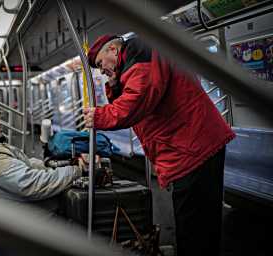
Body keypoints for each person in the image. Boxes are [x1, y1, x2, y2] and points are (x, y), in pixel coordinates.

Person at [83, 34, 235, 256]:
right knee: (199, 226)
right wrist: (115, 86)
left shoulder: (141, 48)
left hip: (192, 148)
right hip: (188, 147)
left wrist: (99, 117)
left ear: (114, 50)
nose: (100, 71)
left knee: (194, 230)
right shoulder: (134, 61)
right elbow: (132, 100)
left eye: (99, 64)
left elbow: (137, 100)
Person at [0, 103, 83, 212]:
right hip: (39, 217)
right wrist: (77, 171)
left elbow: (23, 165)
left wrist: (53, 165)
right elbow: (31, 183)